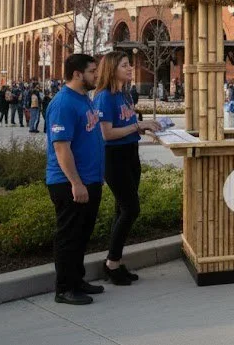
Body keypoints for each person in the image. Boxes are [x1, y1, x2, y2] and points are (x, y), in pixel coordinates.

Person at [94, 52, 161, 286]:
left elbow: (128, 125)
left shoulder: (124, 95)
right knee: (131, 209)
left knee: (121, 209)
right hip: (115, 157)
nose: (130, 68)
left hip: (131, 153)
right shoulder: (104, 97)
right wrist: (137, 125)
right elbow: (107, 133)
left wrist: (145, 128)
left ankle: (116, 261)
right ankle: (111, 263)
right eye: (124, 65)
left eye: (129, 64)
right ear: (112, 69)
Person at [46, 54, 106, 305]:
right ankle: (64, 288)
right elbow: (61, 148)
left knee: (82, 235)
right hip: (69, 183)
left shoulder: (85, 99)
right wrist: (76, 183)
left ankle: (77, 280)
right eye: (92, 71)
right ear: (77, 74)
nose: (96, 75)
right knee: (69, 236)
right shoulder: (63, 103)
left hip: (90, 180)